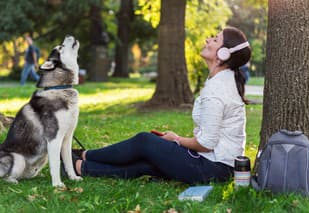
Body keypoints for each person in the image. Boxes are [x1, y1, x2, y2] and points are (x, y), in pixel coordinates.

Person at [71, 26, 251, 184]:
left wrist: (177, 140)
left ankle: (85, 155)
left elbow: (206, 143)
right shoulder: (220, 81)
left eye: (215, 39)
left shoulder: (218, 89)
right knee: (147, 164)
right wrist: (176, 140)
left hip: (213, 168)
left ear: (223, 54)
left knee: (144, 141)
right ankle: (81, 167)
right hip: (216, 167)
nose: (208, 39)